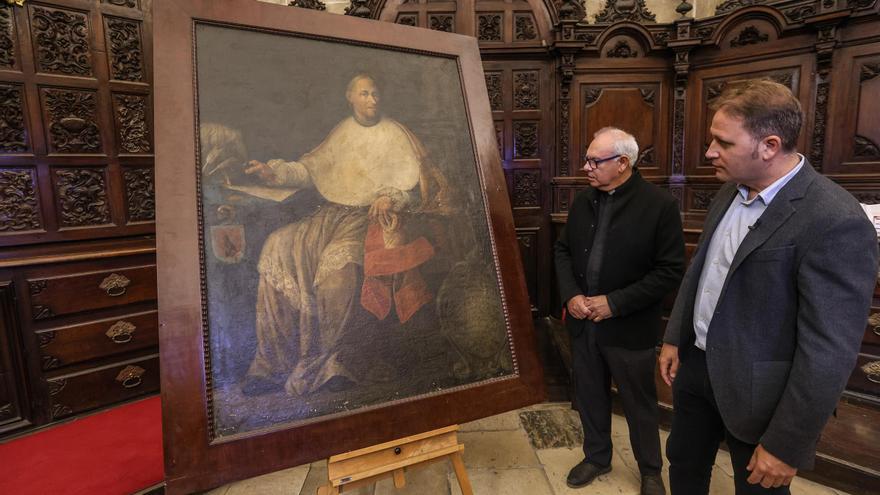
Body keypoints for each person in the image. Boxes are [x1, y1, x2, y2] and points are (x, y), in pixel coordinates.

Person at [659, 79, 879, 493]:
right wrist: (675, 337)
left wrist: (787, 444)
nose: (709, 152)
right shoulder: (728, 191)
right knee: (684, 467)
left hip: (762, 396)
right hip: (697, 369)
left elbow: (828, 351)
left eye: (722, 142)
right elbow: (702, 270)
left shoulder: (834, 218)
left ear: (770, 145)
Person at [241, 73, 453, 396]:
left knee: (337, 275)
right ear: (350, 97)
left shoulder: (396, 134)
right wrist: (273, 172)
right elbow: (309, 169)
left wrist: (389, 196)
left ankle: (330, 364)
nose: (372, 100)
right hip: (328, 217)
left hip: (365, 222)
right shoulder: (341, 132)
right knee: (275, 246)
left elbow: (414, 188)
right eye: (365, 94)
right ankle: (272, 364)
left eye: (375, 94)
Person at [554, 127, 684, 495]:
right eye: (588, 159)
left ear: (623, 163)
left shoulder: (659, 206)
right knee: (590, 395)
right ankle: (597, 457)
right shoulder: (583, 201)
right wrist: (571, 296)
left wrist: (615, 302)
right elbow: (563, 251)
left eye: (595, 161)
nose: (586, 167)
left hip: (628, 328)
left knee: (639, 403)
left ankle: (650, 470)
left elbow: (670, 271)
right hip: (583, 323)